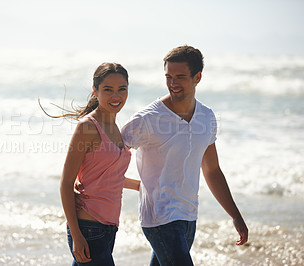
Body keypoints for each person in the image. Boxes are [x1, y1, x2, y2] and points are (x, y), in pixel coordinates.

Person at [121, 45, 249, 265]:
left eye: (180, 77)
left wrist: (235, 215)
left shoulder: (206, 117)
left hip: (189, 215)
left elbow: (212, 170)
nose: (172, 83)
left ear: (197, 77)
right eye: (168, 77)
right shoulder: (148, 119)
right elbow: (106, 155)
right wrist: (135, 185)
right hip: (159, 217)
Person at [42, 63, 140, 265]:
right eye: (108, 90)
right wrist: (76, 235)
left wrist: (141, 186)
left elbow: (108, 177)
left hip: (108, 227)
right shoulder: (87, 127)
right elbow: (66, 182)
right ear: (95, 91)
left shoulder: (113, 126)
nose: (116, 96)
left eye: (122, 89)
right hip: (88, 227)